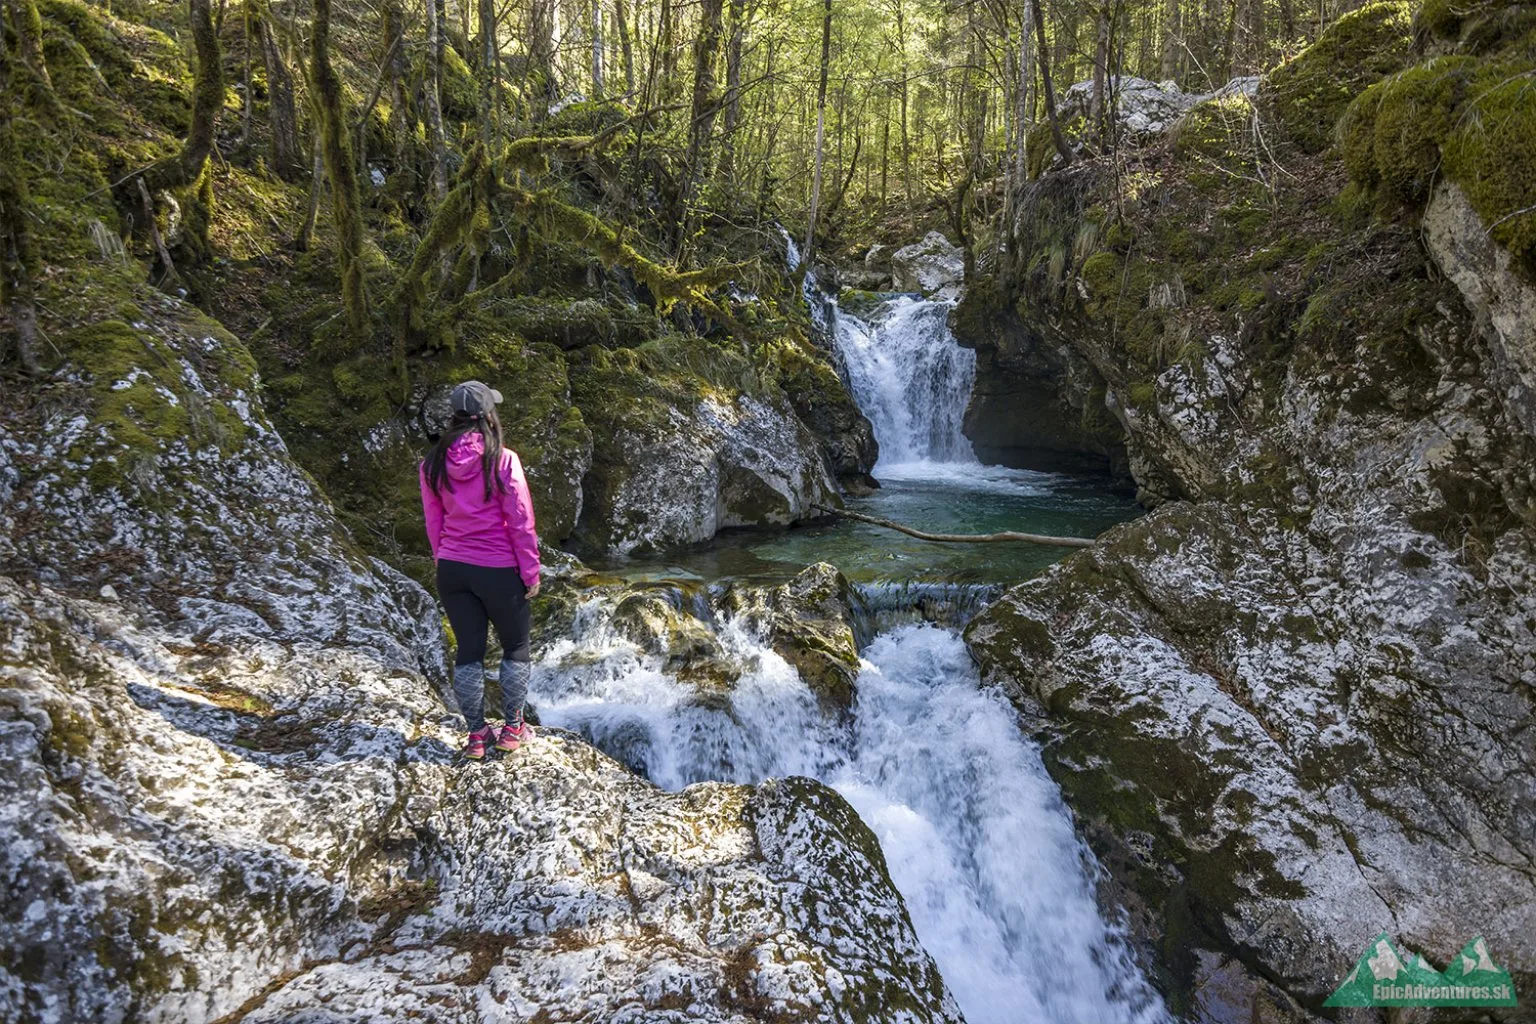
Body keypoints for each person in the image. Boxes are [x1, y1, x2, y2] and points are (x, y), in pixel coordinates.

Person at [420, 380, 542, 760]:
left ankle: (475, 736)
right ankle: (513, 728)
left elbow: (433, 521)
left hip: (454, 569)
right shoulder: (503, 460)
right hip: (499, 568)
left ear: (455, 416)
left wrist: (443, 561)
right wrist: (531, 572)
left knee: (469, 653)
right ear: (489, 415)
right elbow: (520, 520)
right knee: (516, 647)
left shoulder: (432, 463)